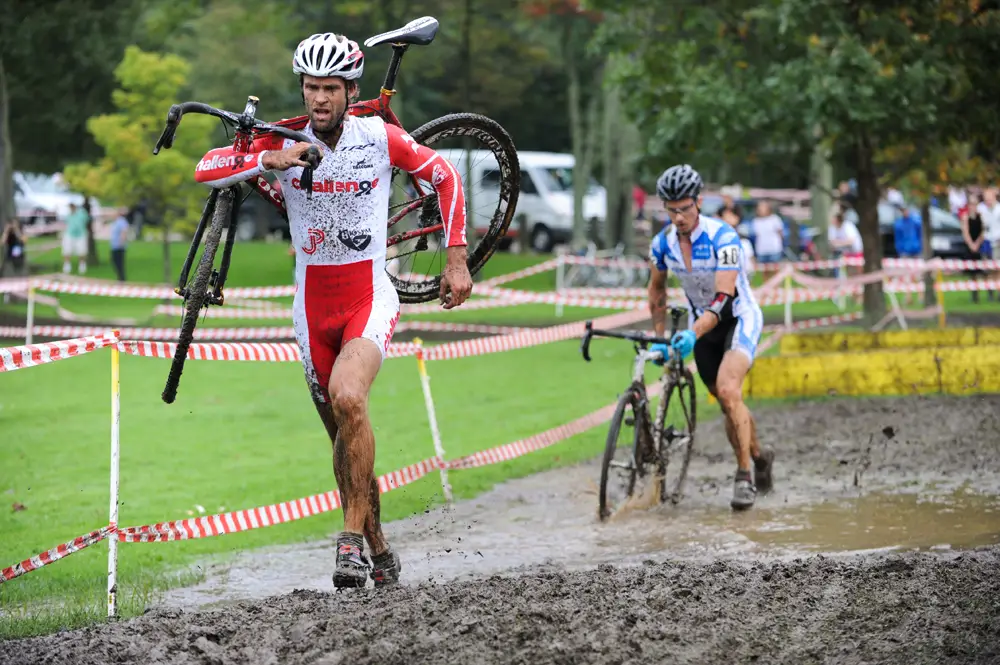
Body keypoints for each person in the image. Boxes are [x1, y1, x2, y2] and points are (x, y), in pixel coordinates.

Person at [192, 32, 474, 589]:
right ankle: (377, 545)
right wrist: (269, 157)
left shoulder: (380, 138)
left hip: (368, 294)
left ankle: (346, 539)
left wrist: (457, 256)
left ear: (351, 90)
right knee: (344, 439)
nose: (319, 99)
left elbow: (444, 175)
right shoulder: (285, 137)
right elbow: (207, 166)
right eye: (310, 87)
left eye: (330, 89)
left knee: (350, 394)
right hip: (309, 307)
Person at [646, 164, 774, 511]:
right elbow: (656, 293)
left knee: (730, 391)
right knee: (727, 403)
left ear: (699, 202)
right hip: (701, 329)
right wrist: (660, 339)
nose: (679, 217)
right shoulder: (662, 245)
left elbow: (723, 298)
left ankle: (744, 474)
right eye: (671, 210)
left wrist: (691, 333)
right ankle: (760, 456)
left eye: (685, 209)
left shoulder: (724, 237)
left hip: (737, 318)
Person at [892, 203, 923, 306]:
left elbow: (920, 234)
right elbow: (898, 238)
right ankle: (908, 297)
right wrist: (900, 249)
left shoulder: (916, 221)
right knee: (906, 276)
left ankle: (920, 296)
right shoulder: (899, 224)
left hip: (916, 250)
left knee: (918, 275)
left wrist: (919, 246)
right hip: (905, 252)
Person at [62, 202, 90, 274]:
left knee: (81, 250)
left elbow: (87, 220)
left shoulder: (82, 213)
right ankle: (67, 265)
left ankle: (82, 265)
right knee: (67, 250)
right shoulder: (68, 215)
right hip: (70, 234)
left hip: (81, 234)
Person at [109, 208, 131, 282]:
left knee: (119, 262)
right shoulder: (115, 222)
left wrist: (121, 242)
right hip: (114, 245)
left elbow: (124, 231)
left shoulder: (121, 221)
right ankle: (119, 277)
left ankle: (121, 278)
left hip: (119, 246)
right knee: (114, 261)